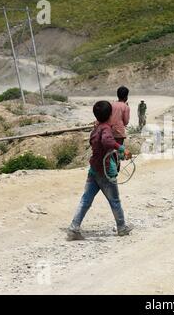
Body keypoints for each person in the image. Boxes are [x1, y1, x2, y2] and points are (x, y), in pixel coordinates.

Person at [67, 101, 133, 241]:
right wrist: (121, 149)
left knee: (85, 200)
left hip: (94, 170)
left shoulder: (95, 129)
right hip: (106, 171)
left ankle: (73, 229)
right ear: (110, 115)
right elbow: (107, 142)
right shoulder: (105, 130)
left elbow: (101, 145)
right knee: (114, 201)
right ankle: (121, 228)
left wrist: (117, 152)